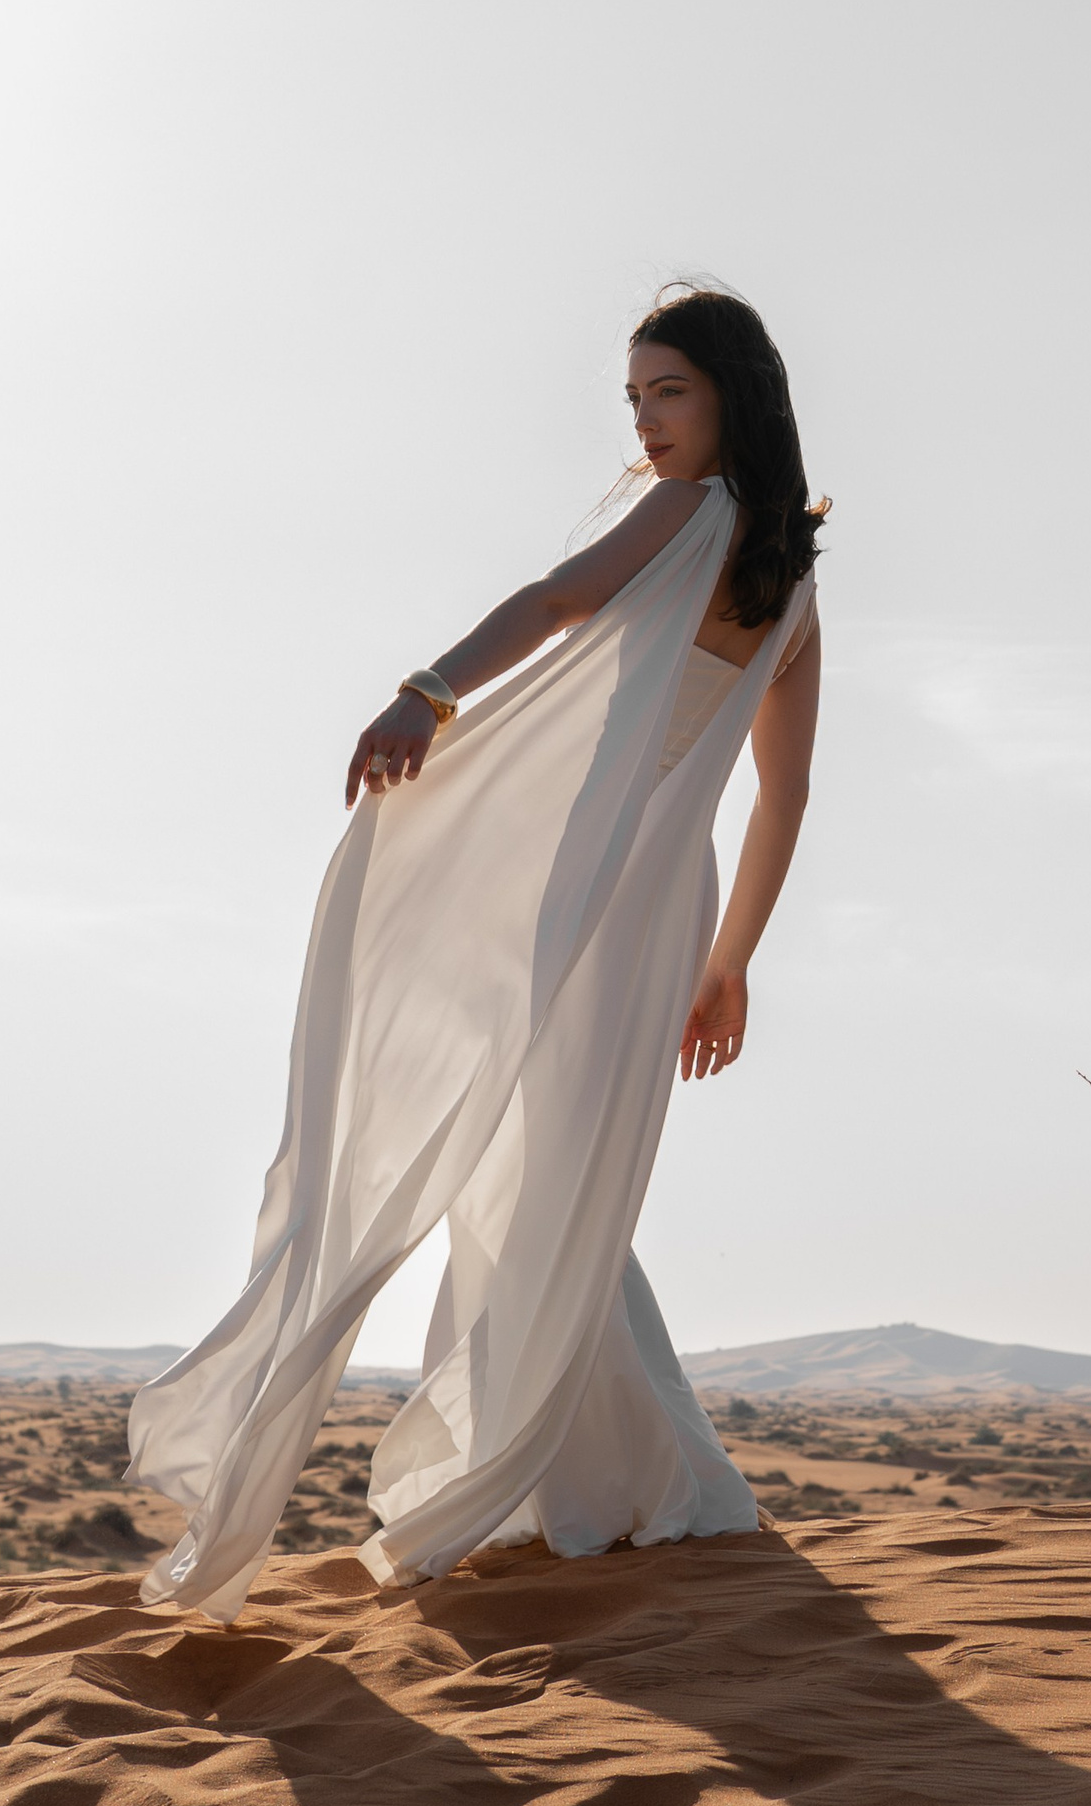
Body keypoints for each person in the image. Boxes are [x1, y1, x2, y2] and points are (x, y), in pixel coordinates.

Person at [128, 286, 826, 1618]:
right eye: (632, 398)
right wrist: (732, 958)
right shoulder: (791, 588)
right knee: (546, 1172)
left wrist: (427, 691)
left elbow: (558, 598)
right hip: (663, 904)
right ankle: (600, 1469)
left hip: (579, 887)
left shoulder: (692, 516)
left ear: (732, 392)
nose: (644, 418)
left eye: (665, 391)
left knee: (516, 1165)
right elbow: (781, 799)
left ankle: (573, 1473)